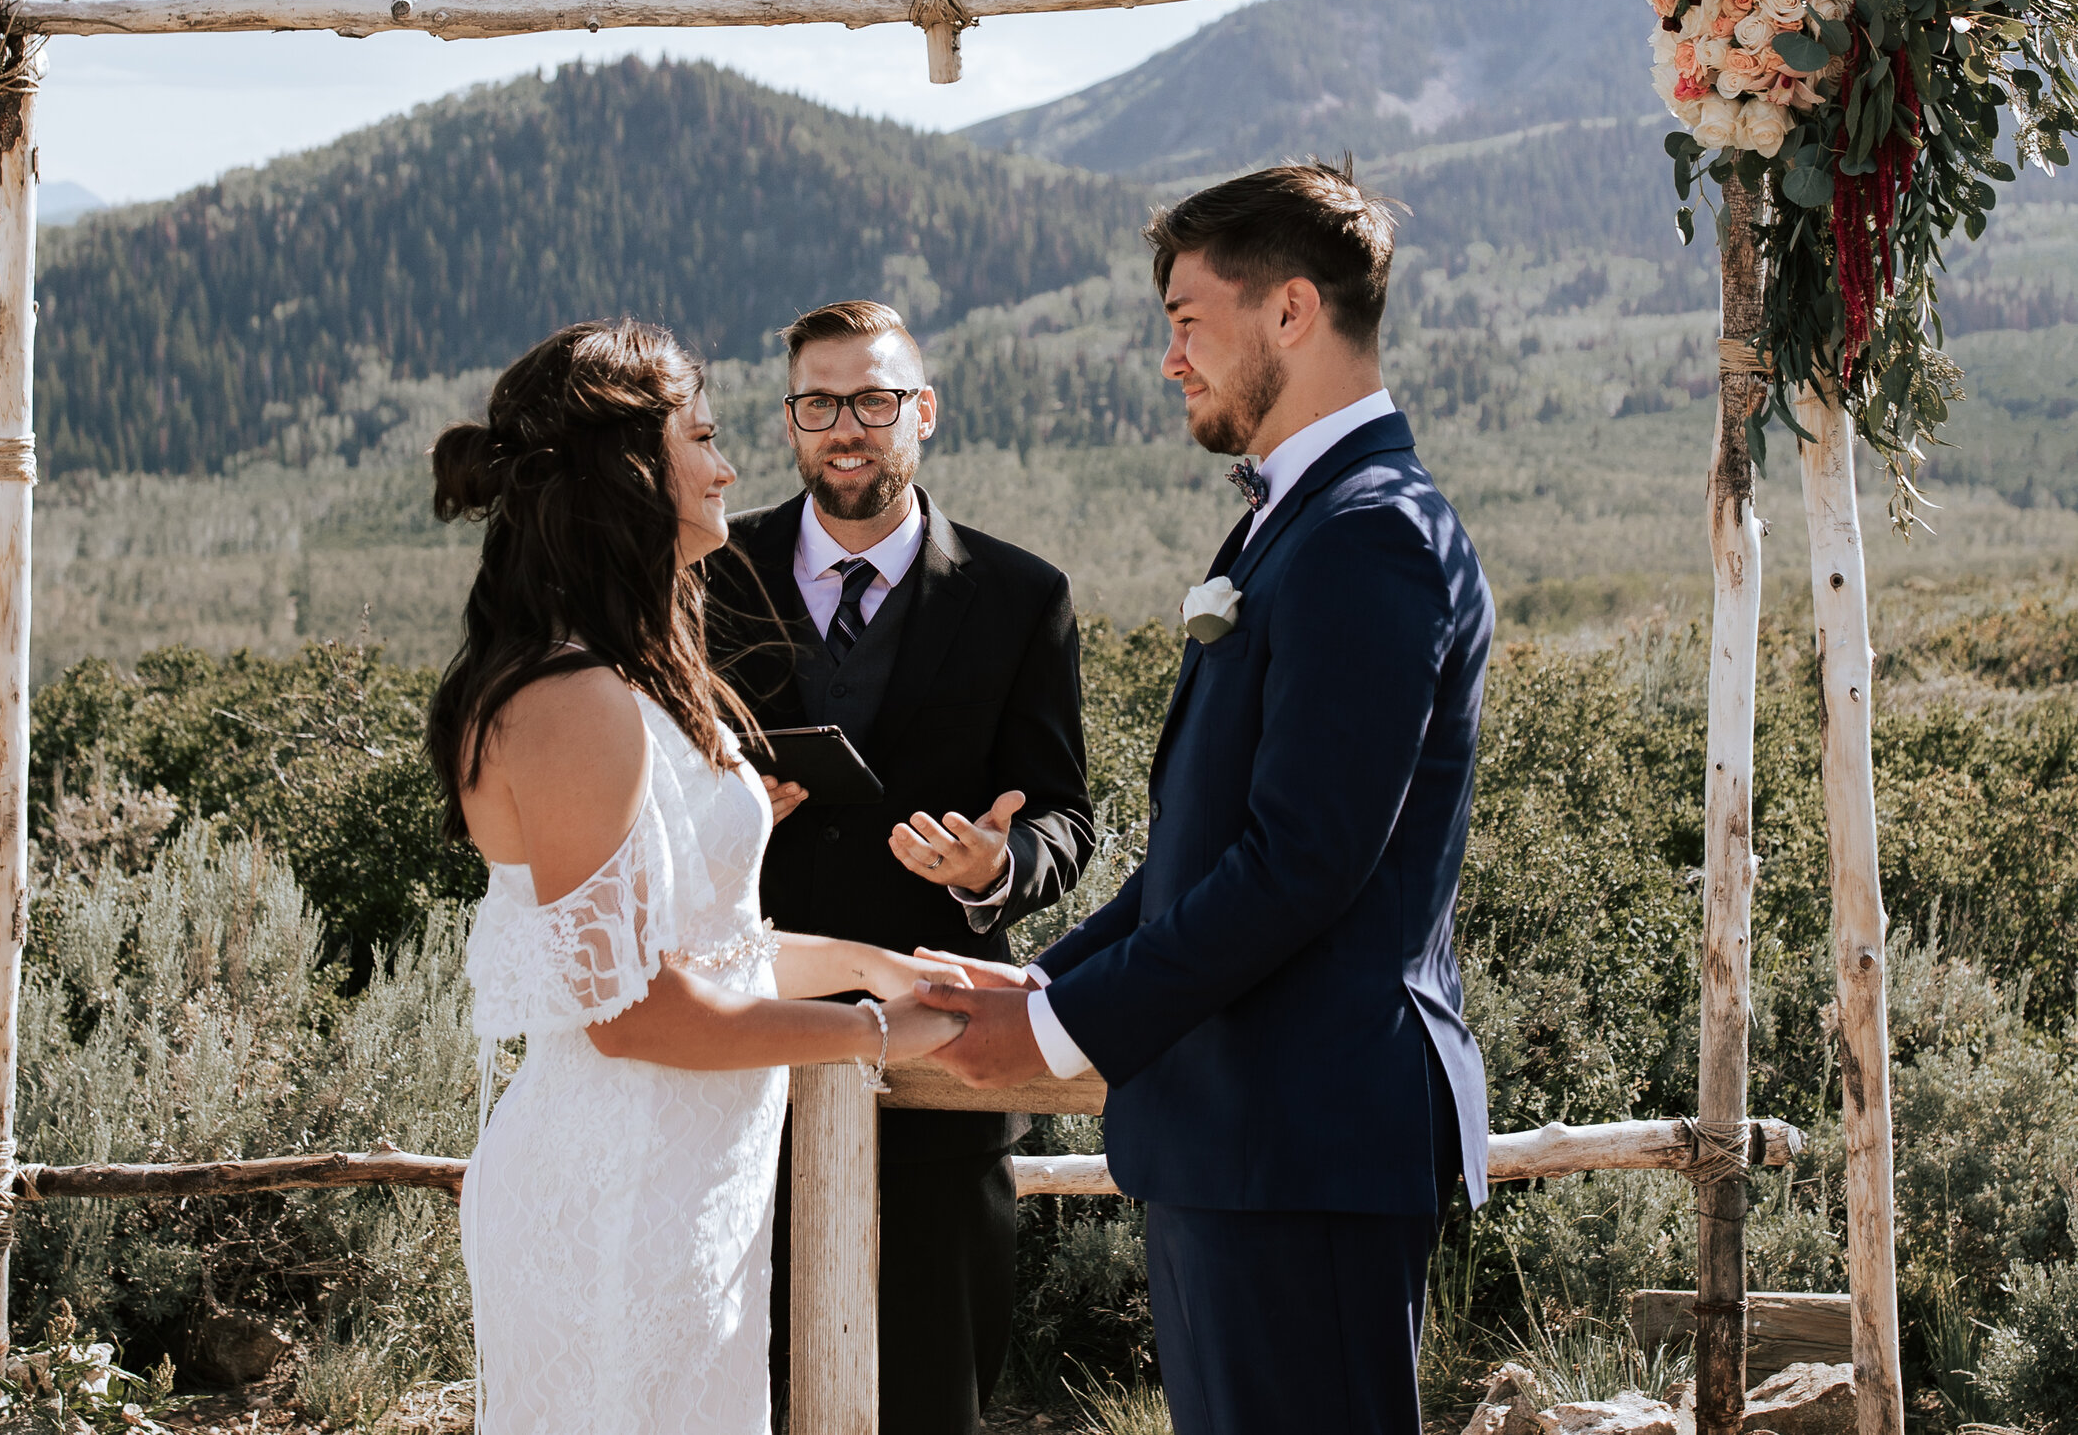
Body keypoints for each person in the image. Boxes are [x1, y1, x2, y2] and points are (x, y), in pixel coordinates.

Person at [915, 164, 1496, 1434]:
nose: (1170, 357)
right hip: (1239, 1141)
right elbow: (1209, 845)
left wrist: (1065, 1038)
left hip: (1306, 1135)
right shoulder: (1288, 526)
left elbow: (1301, 863)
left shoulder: (1370, 533)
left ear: (1290, 312)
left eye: (1186, 319)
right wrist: (1042, 984)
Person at [434, 319, 970, 1435]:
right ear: (631, 474)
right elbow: (634, 1015)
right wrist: (874, 1035)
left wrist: (896, 969)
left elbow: (711, 945)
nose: (730, 466)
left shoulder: (628, 671)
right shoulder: (570, 698)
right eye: (706, 436)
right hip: (616, 1198)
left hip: (690, 1186)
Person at [704, 301, 1093, 1435]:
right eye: (817, 403)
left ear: (920, 413)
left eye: (873, 401)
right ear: (789, 421)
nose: (845, 428)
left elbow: (1063, 814)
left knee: (935, 1387)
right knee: (745, 1380)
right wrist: (724, 821)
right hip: (739, 1039)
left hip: (938, 1046)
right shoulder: (707, 576)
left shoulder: (1023, 596)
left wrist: (994, 864)